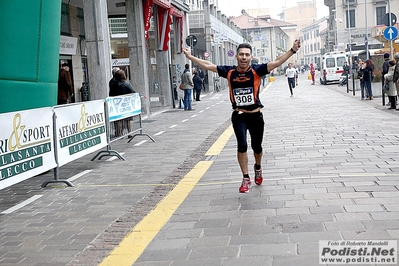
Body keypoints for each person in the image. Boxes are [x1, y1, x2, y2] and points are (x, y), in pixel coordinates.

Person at [182, 39, 301, 193]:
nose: (244, 57)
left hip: (256, 116)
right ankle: (245, 178)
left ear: (251, 57)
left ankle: (258, 167)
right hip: (239, 115)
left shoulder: (257, 71)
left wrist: (292, 50)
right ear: (236, 57)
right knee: (242, 145)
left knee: (257, 147)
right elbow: (208, 65)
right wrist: (190, 57)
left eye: (247, 55)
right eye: (241, 54)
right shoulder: (229, 72)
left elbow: (277, 62)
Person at [114, 70, 136, 137]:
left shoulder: (114, 84)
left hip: (117, 104)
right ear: (123, 76)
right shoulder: (127, 84)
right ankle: (129, 133)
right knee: (128, 120)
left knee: (119, 120)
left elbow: (111, 93)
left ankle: (119, 133)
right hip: (126, 104)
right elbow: (133, 92)